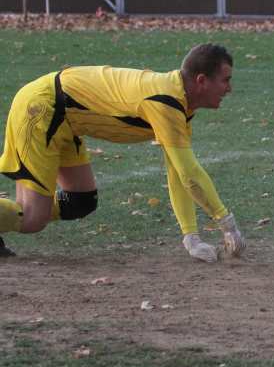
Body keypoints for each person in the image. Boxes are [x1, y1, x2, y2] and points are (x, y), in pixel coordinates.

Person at [0, 43, 245, 262]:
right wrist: (227, 224)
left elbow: (179, 172)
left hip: (64, 117)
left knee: (80, 202)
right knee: (32, 217)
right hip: (43, 108)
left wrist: (191, 236)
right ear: (202, 81)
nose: (229, 88)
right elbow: (189, 174)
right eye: (225, 80)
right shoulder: (166, 102)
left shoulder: (178, 102)